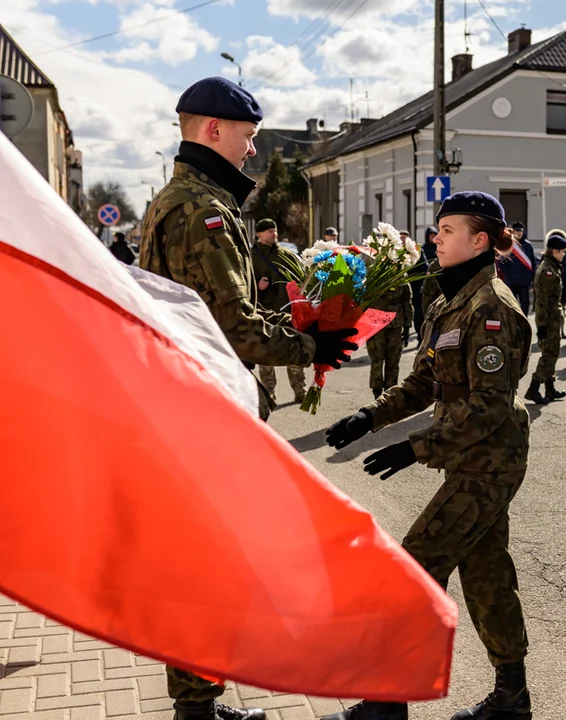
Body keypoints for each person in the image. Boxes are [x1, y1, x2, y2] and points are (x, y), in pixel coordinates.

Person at [139, 77, 359, 720]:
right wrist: (312, 346)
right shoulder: (201, 208)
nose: (254, 152)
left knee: (201, 560)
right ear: (212, 131)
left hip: (186, 400)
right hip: (202, 407)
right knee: (207, 562)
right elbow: (232, 326)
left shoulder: (175, 200)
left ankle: (198, 700)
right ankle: (197, 708)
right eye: (248, 137)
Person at [322, 191, 533, 720]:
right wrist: (369, 418)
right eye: (436, 230)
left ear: (479, 240)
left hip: (488, 463)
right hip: (469, 458)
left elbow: (489, 405)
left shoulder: (492, 309)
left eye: (446, 230)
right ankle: (512, 697)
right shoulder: (446, 302)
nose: (435, 238)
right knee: (486, 574)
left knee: (411, 570)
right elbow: (422, 382)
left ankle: (387, 702)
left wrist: (416, 447)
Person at [250, 218, 308, 404]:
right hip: (265, 312)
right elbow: (244, 285)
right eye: (269, 231)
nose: (273, 234)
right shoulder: (252, 257)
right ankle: (269, 392)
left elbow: (302, 277)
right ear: (259, 234)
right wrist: (258, 286)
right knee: (266, 354)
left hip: (288, 312)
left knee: (293, 349)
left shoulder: (286, 254)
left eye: (274, 231)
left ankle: (300, 390)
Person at [526, 231, 566, 404]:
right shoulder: (547, 271)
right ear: (556, 251)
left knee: (551, 352)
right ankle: (533, 388)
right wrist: (542, 324)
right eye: (563, 251)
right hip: (548, 319)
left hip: (552, 318)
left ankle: (550, 389)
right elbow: (542, 300)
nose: (564, 254)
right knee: (549, 354)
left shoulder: (551, 267)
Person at [365, 282, 413, 399]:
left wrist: (407, 326)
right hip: (376, 325)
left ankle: (390, 393)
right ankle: (376, 393)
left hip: (395, 326)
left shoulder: (402, 279)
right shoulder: (374, 276)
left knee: (393, 361)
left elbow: (407, 302)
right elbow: (364, 302)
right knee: (377, 359)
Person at [497, 220, 536, 313]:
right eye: (516, 231)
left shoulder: (528, 246)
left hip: (524, 282)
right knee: (511, 305)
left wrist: (530, 279)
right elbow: (502, 262)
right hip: (511, 281)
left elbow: (532, 263)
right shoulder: (508, 244)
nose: (519, 233)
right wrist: (507, 277)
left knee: (525, 305)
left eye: (520, 231)